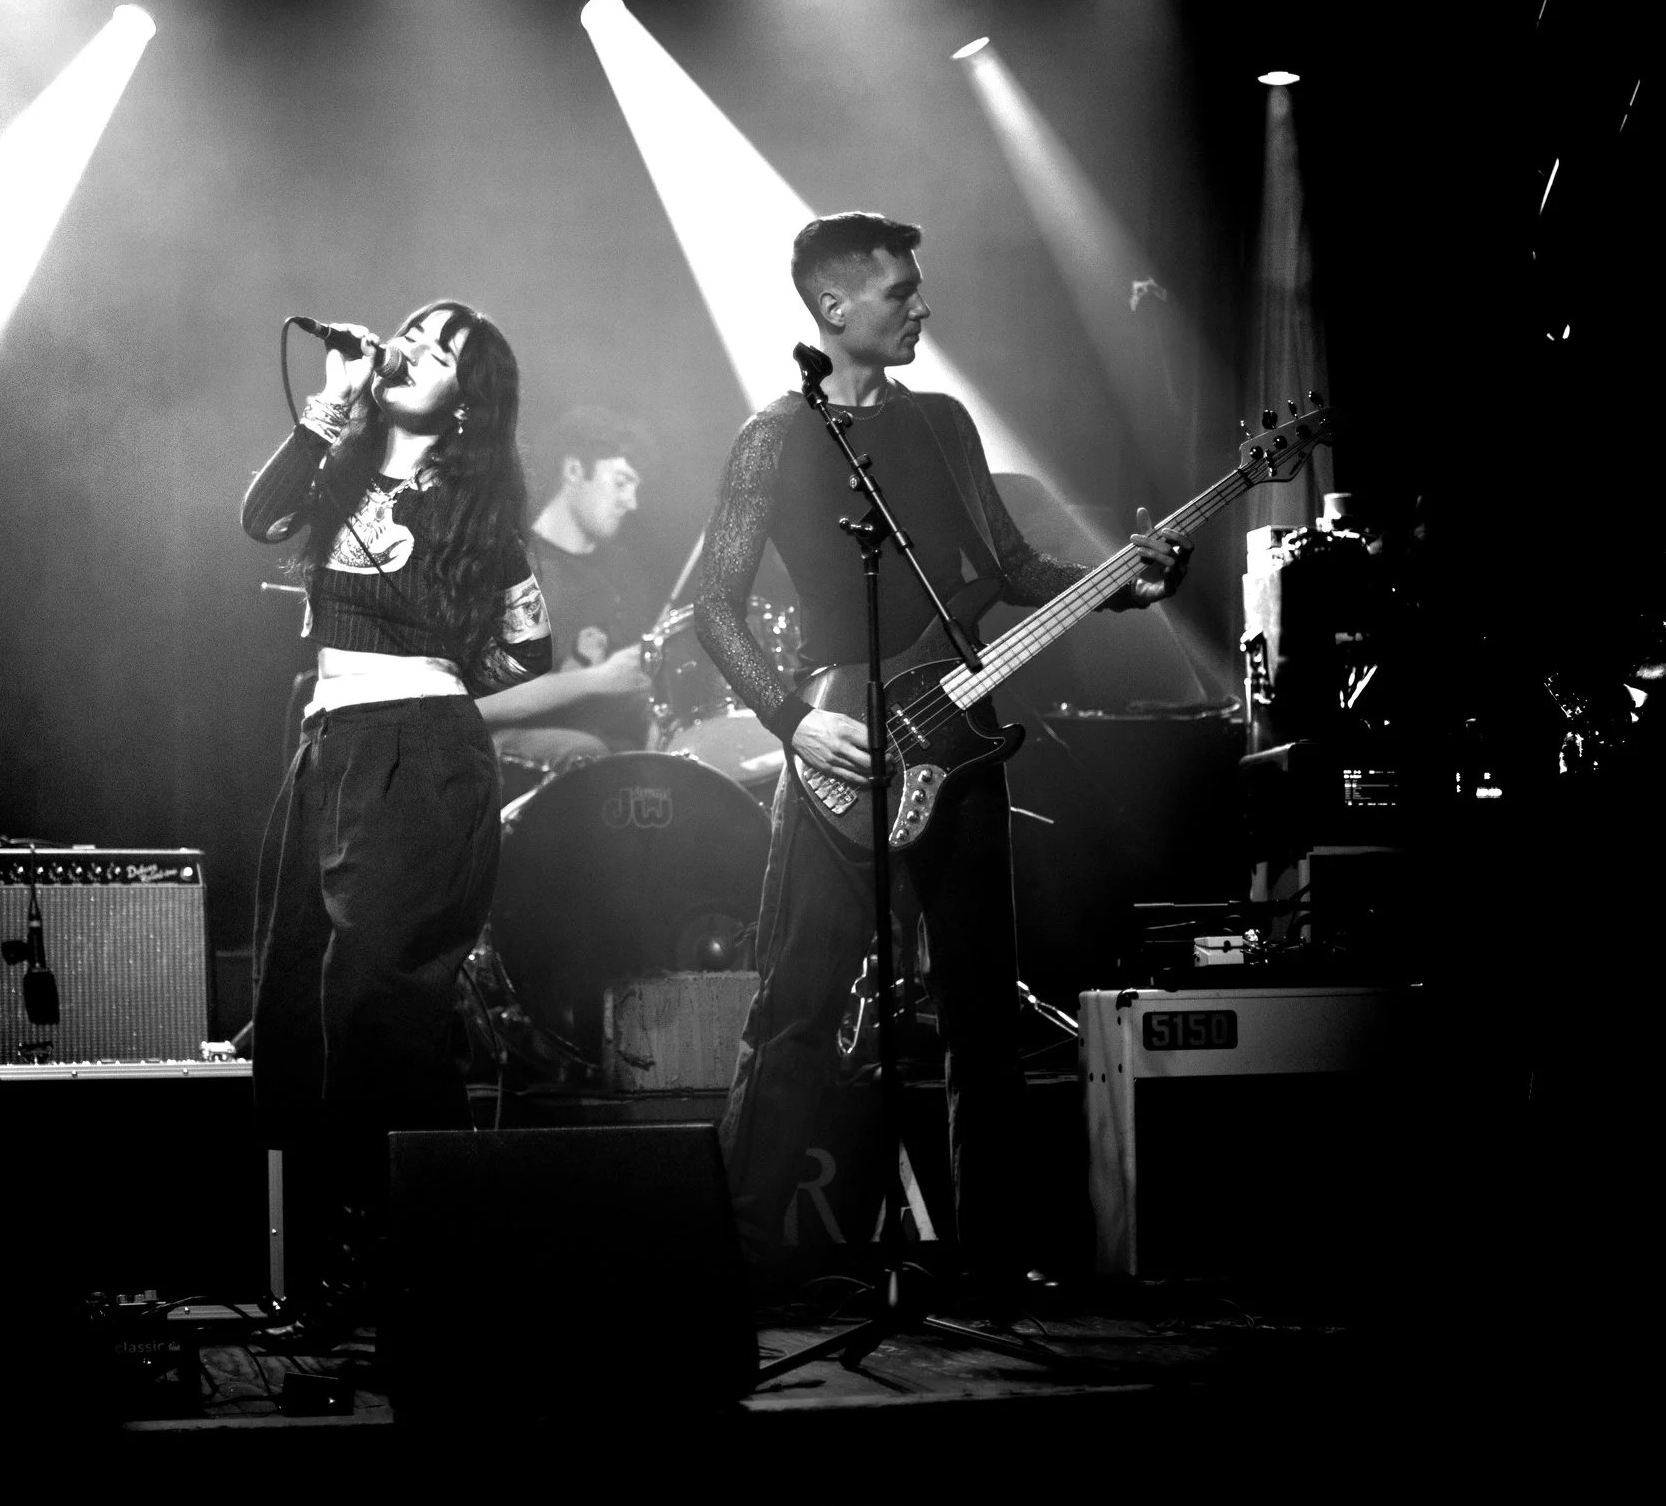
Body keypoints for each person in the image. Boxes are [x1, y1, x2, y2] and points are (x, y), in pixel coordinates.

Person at [691, 212, 1191, 1300]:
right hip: (839, 743)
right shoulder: (773, 436)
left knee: (978, 1009)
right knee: (797, 999)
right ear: (833, 307)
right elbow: (711, 611)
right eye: (900, 290)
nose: (921, 306)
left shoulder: (945, 423)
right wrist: (792, 718)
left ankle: (989, 1256)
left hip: (959, 741)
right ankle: (741, 1259)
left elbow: (1008, 563)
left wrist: (1124, 580)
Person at [239, 297, 550, 1318]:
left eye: (444, 348)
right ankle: (320, 1254)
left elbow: (527, 653)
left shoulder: (479, 511)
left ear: (469, 400)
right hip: (326, 743)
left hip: (418, 751)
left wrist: (439, 681)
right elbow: (259, 517)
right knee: (290, 1000)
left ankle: (422, 1261)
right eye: (413, 329)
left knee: (375, 1005)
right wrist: (333, 405)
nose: (415, 346)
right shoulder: (337, 466)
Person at [475, 405, 655, 777]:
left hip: (596, 745)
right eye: (621, 482)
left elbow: (630, 691)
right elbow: (476, 705)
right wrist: (596, 681)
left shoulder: (622, 578)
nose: (631, 503)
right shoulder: (510, 563)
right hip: (499, 746)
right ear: (574, 471)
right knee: (586, 752)